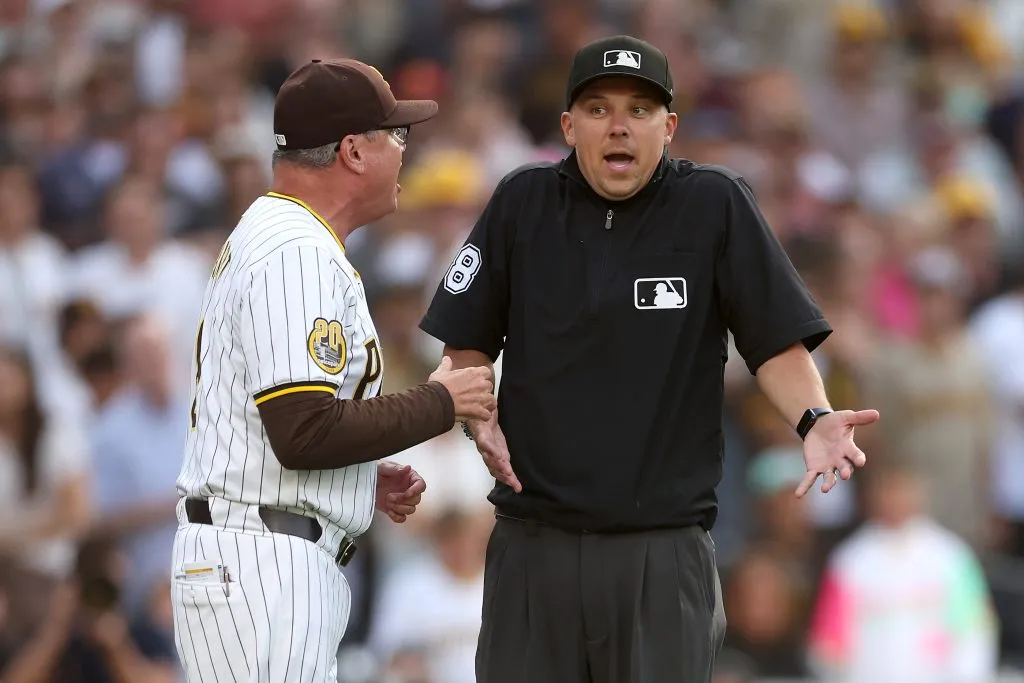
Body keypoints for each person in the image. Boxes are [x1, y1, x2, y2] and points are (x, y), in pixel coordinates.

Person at [418, 35, 880, 683]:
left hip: (659, 552)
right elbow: (465, 336)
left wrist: (814, 416)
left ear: (669, 127)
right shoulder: (522, 202)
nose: (618, 126)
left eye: (639, 110)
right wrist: (477, 412)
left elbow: (775, 338)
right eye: (599, 108)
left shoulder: (714, 204)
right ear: (568, 125)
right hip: (534, 542)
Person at [170, 58, 496, 683]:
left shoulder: (284, 237)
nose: (405, 150)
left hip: (261, 551)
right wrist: (440, 401)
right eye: (395, 135)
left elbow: (279, 425)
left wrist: (350, 477)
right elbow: (303, 431)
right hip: (262, 562)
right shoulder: (296, 251)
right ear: (352, 151)